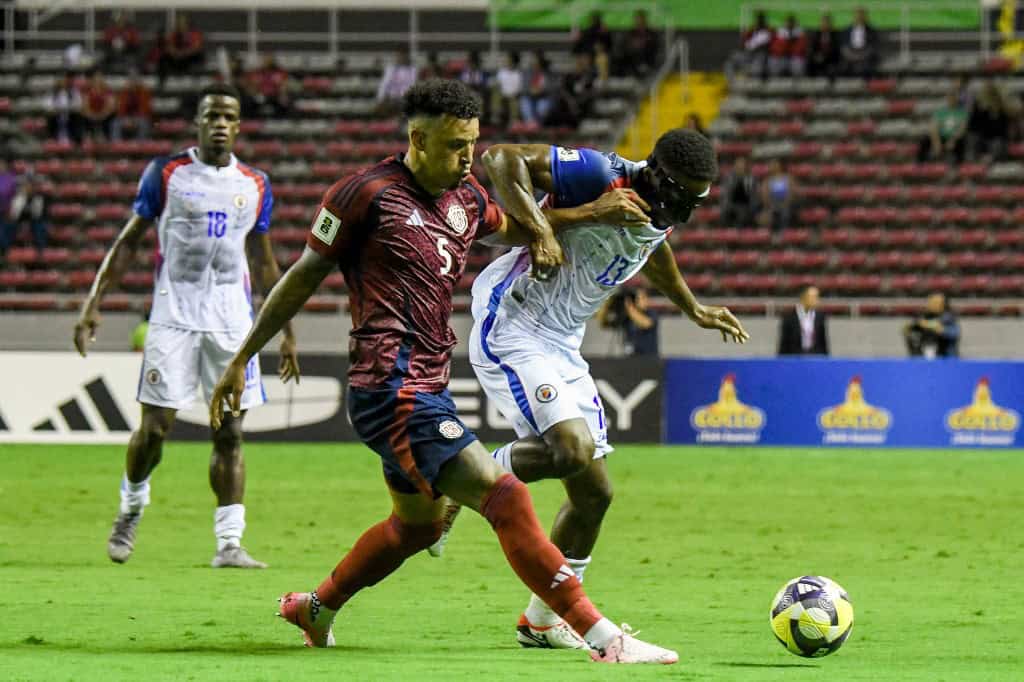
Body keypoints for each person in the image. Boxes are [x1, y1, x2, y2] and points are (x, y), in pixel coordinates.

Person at [208, 79, 678, 664]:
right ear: (418, 139)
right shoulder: (364, 195)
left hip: (425, 385)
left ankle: (316, 607)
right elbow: (302, 275)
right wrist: (242, 357)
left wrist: (589, 212)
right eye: (457, 146)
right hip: (387, 385)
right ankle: (602, 638)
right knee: (504, 498)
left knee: (417, 528)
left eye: (473, 143)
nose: (468, 159)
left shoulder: (467, 200)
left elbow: (522, 226)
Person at [432, 129, 749, 648]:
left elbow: (653, 248)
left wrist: (693, 307)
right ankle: (458, 480)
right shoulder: (601, 174)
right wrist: (542, 231)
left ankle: (541, 621)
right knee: (572, 449)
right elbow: (500, 158)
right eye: (682, 195)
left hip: (562, 341)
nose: (685, 209)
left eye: (697, 199)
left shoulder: (658, 211)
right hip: (515, 321)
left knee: (595, 494)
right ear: (658, 176)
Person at [73, 83, 299, 568]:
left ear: (239, 126)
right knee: (155, 430)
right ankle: (131, 507)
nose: (220, 123)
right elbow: (130, 241)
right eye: (211, 115)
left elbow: (263, 263)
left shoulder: (255, 183)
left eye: (229, 117)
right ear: (198, 122)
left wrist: (285, 331)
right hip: (173, 316)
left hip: (231, 322)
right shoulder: (167, 173)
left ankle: (229, 543)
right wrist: (94, 303)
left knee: (231, 434)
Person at [598, 286, 660, 356]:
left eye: (639, 298)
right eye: (635, 298)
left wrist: (629, 307)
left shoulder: (651, 313)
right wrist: (606, 304)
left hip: (648, 358)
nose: (636, 300)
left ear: (647, 299)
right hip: (630, 358)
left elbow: (646, 324)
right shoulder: (626, 315)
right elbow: (605, 324)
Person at [2, 171, 50, 254]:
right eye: (27, 186)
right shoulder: (18, 198)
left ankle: (40, 250)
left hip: (34, 221)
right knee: (8, 226)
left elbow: (39, 215)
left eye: (31, 186)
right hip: (19, 220)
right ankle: (6, 249)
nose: (29, 188)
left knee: (40, 227)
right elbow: (14, 214)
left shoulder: (40, 198)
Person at [967, 80, 1013, 163]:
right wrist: (982, 110)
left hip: (996, 139)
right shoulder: (978, 106)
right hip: (982, 138)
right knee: (973, 139)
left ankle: (991, 158)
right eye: (986, 92)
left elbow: (1002, 128)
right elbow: (972, 125)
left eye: (990, 92)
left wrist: (995, 111)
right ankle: (973, 161)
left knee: (997, 143)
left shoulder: (1001, 107)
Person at [918, 89, 968, 164]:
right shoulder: (940, 112)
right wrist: (936, 142)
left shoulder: (962, 113)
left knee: (961, 143)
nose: (952, 100)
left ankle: (958, 165)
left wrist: (953, 140)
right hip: (942, 136)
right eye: (950, 98)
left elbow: (962, 129)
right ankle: (921, 163)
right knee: (925, 140)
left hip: (954, 137)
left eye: (953, 98)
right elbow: (934, 128)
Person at [904, 292, 960, 359]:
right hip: (924, 354)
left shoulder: (949, 317)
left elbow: (954, 332)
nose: (932, 304)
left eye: (936, 302)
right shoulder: (923, 315)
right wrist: (909, 328)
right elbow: (909, 329)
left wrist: (934, 327)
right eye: (931, 301)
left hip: (946, 357)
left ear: (943, 304)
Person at [778, 284, 829, 356]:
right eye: (813, 297)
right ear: (803, 297)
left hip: (815, 357)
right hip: (795, 357)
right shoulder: (789, 317)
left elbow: (823, 342)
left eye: (817, 297)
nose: (817, 300)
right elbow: (784, 343)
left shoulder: (820, 317)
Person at [618, 10, 660, 78]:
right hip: (632, 56)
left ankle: (643, 67)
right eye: (637, 20)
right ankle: (631, 71)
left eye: (641, 20)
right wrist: (633, 44)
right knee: (627, 53)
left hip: (647, 55)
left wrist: (644, 42)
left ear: (644, 20)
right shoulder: (631, 32)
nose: (639, 22)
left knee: (642, 49)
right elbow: (625, 43)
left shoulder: (650, 32)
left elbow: (654, 44)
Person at [376, 49, 418, 116]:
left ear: (407, 57)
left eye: (403, 56)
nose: (401, 58)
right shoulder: (391, 69)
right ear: (397, 57)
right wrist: (380, 99)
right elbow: (385, 84)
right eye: (399, 56)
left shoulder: (412, 70)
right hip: (393, 98)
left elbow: (412, 84)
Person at [162, 13, 205, 78]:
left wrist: (184, 52)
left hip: (189, 58)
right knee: (165, 58)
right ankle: (168, 75)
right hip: (178, 58)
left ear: (188, 24)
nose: (181, 26)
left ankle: (195, 74)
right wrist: (175, 52)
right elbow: (169, 46)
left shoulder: (194, 34)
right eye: (180, 24)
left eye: (183, 23)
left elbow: (197, 47)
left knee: (198, 56)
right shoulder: (174, 34)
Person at [114, 70, 153, 140]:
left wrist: (134, 120)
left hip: (140, 117)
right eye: (131, 80)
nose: (133, 82)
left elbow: (146, 109)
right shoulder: (124, 92)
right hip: (126, 118)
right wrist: (126, 119)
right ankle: (117, 144)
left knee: (143, 123)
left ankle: (140, 145)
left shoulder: (144, 91)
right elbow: (120, 109)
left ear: (139, 81)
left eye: (135, 80)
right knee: (115, 123)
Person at [720, 156, 759, 226]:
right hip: (732, 207)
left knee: (744, 213)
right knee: (727, 213)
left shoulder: (751, 178)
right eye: (738, 165)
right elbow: (726, 196)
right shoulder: (729, 179)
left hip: (747, 207)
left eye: (742, 164)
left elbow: (754, 196)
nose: (740, 167)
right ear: (735, 166)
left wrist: (752, 207)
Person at [841, 7, 879, 78]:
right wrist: (851, 55)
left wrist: (862, 55)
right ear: (854, 17)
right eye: (857, 15)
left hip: (865, 56)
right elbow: (843, 45)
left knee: (868, 66)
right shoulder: (847, 30)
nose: (859, 18)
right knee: (843, 67)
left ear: (865, 17)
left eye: (861, 16)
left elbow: (873, 46)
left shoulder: (871, 31)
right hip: (850, 56)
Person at [45, 73, 83, 144]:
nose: (62, 83)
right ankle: (53, 138)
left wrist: (67, 109)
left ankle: (76, 139)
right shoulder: (53, 93)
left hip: (70, 116)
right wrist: (59, 110)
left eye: (64, 81)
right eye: (60, 81)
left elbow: (78, 105)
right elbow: (48, 106)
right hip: (57, 116)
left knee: (77, 117)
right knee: (51, 117)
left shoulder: (73, 92)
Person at [80, 69, 117, 141]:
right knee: (83, 117)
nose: (98, 80)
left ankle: (107, 139)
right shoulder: (86, 90)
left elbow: (111, 106)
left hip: (104, 116)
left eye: (100, 77)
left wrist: (101, 116)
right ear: (92, 79)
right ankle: (87, 138)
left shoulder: (108, 90)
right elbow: (84, 106)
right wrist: (92, 116)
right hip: (90, 116)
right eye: (96, 77)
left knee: (111, 117)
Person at [760, 158, 794, 233]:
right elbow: (764, 196)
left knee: (785, 213)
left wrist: (785, 203)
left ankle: (783, 233)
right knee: (766, 216)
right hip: (772, 205)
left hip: (785, 204)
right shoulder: (767, 180)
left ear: (780, 166)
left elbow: (791, 193)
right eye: (771, 165)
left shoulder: (788, 178)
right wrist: (770, 205)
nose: (772, 166)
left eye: (774, 164)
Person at [492, 51, 523, 127]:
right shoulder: (501, 72)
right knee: (496, 94)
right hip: (502, 95)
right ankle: (496, 116)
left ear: (514, 62)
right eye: (507, 60)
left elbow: (519, 89)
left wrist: (512, 95)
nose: (507, 62)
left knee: (514, 101)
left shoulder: (519, 74)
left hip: (513, 96)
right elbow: (497, 85)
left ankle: (513, 122)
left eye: (509, 61)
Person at [807, 13, 840, 79]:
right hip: (817, 58)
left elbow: (836, 49)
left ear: (831, 24)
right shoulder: (816, 34)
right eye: (823, 22)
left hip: (830, 58)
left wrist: (824, 56)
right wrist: (816, 56)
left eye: (827, 22)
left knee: (832, 65)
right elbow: (812, 48)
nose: (825, 25)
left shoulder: (835, 34)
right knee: (810, 63)